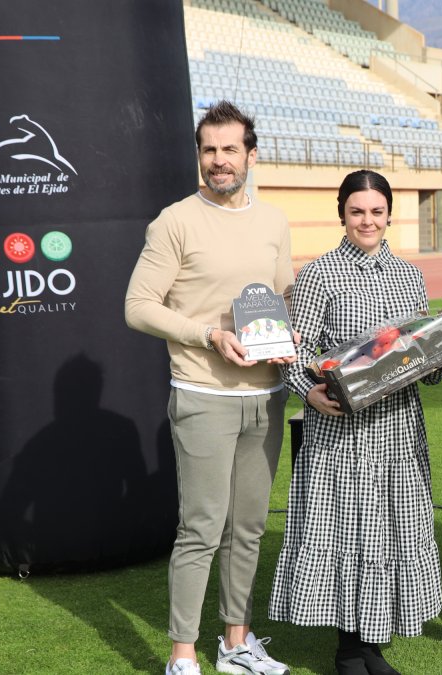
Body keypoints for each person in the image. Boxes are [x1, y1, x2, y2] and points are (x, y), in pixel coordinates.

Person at [125, 100, 293, 675]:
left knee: (248, 529)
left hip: (266, 398)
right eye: (209, 150)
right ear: (199, 155)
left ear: (251, 155)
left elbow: (283, 298)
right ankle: (182, 654)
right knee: (200, 529)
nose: (219, 160)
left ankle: (235, 645)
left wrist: (290, 339)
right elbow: (137, 307)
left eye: (230, 149)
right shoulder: (174, 221)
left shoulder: (273, 222)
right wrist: (207, 335)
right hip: (203, 397)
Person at [269, 170, 442, 675]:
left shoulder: (409, 275)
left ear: (389, 215)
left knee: (389, 530)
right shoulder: (319, 274)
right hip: (341, 430)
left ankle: (371, 646)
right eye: (356, 211)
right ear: (342, 214)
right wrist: (308, 393)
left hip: (399, 428)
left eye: (376, 211)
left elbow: (421, 358)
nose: (367, 221)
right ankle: (349, 650)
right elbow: (293, 350)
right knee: (347, 531)